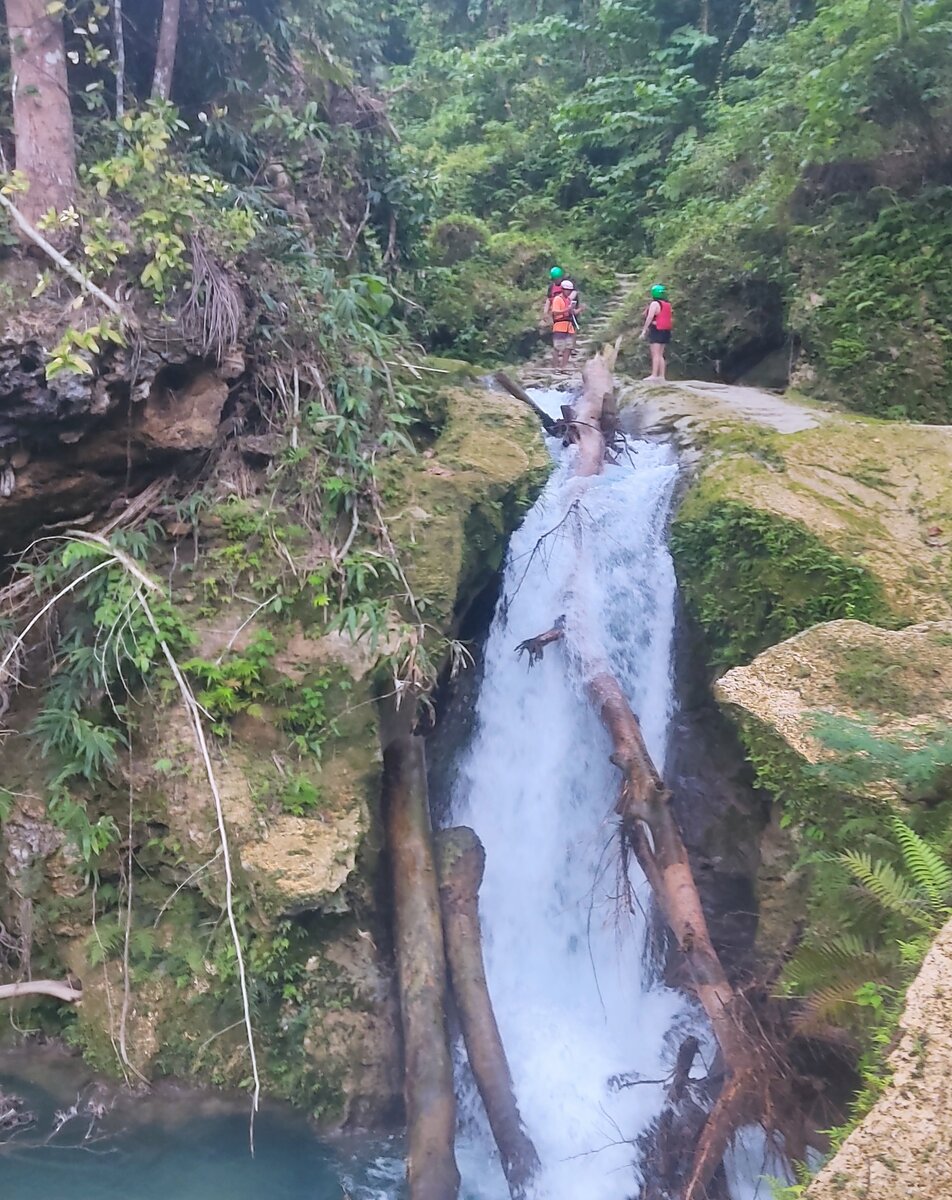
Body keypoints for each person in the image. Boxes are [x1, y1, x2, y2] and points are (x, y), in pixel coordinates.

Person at [640, 283, 672, 382]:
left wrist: (644, 330)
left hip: (656, 330)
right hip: (666, 331)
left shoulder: (655, 304)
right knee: (661, 354)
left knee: (655, 354)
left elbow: (650, 317)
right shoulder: (667, 304)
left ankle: (654, 375)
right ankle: (661, 376)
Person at [550, 280, 578, 370]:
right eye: (567, 290)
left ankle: (563, 367)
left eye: (570, 290)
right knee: (558, 347)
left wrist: (579, 310)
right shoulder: (557, 299)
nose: (568, 292)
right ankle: (555, 367)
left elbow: (572, 313)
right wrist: (566, 310)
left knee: (569, 347)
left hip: (569, 326)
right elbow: (555, 312)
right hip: (559, 325)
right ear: (562, 289)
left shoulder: (568, 300)